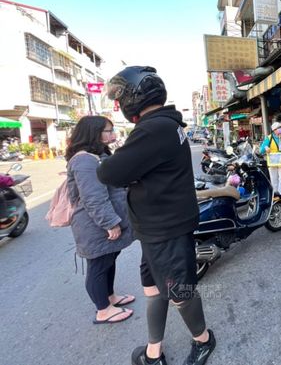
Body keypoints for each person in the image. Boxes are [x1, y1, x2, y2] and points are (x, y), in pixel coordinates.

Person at [96, 66, 215, 365]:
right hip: (155, 229)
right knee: (154, 291)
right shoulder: (166, 124)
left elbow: (109, 172)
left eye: (122, 96)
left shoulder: (153, 128)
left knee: (180, 291)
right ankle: (154, 351)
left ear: (136, 95)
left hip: (166, 229)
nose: (120, 103)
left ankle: (204, 340)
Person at [66, 116, 135, 324]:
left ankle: (110, 297)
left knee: (109, 259)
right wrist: (110, 223)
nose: (113, 135)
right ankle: (103, 310)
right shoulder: (85, 160)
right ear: (94, 133)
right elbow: (93, 197)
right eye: (108, 131)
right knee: (98, 265)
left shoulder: (97, 155)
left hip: (102, 223)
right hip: (95, 226)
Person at [260, 121, 281, 197]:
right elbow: (261, 150)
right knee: (274, 180)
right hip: (272, 162)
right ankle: (275, 195)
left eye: (280, 127)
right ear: (274, 130)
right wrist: (266, 148)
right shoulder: (269, 138)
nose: (280, 129)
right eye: (278, 128)